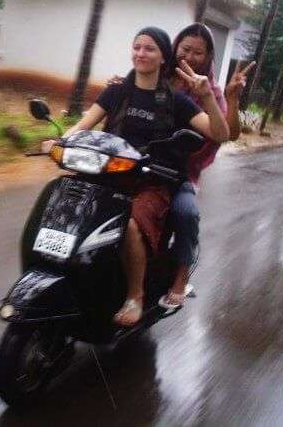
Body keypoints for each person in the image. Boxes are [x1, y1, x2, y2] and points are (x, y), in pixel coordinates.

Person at [45, 26, 230, 327]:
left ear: (162, 58)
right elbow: (85, 123)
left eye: (150, 49)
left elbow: (219, 133)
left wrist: (207, 96)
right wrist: (59, 142)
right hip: (107, 174)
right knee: (65, 201)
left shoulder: (178, 101)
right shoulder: (117, 90)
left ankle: (135, 296)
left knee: (130, 223)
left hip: (153, 181)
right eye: (137, 47)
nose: (141, 53)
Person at [109, 23, 255, 310]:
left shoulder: (208, 90)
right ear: (174, 49)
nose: (189, 56)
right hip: (138, 165)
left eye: (198, 52)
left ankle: (180, 276)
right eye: (185, 49)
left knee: (185, 213)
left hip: (180, 173)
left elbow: (228, 132)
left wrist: (231, 98)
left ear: (209, 57)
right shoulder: (158, 75)